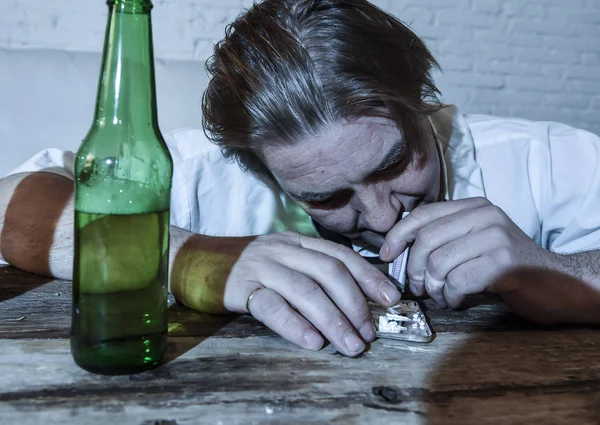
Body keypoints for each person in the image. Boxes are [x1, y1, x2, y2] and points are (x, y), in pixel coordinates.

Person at [1, 0, 600, 357]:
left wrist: (572, 275)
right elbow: (7, 201)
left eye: (393, 162)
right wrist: (188, 257)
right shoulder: (214, 170)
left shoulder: (549, 158)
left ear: (422, 100)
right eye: (326, 197)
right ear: (262, 172)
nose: (384, 217)